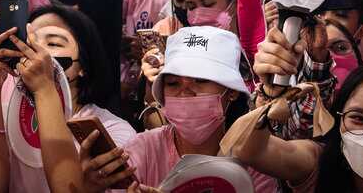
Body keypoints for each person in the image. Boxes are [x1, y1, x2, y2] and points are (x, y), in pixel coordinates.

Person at [81, 27, 269, 191]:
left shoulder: (256, 159)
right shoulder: (143, 150)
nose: (184, 92)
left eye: (200, 80)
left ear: (231, 92)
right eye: (173, 83)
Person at [0, 5, 135, 192]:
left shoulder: (109, 131)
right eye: (28, 42)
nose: (36, 52)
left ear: (83, 65)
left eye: (53, 44)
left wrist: (45, 88)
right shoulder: (0, 116)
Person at [233, 56, 363, 192]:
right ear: (339, 118)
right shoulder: (316, 164)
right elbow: (250, 150)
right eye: (358, 118)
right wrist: (270, 94)